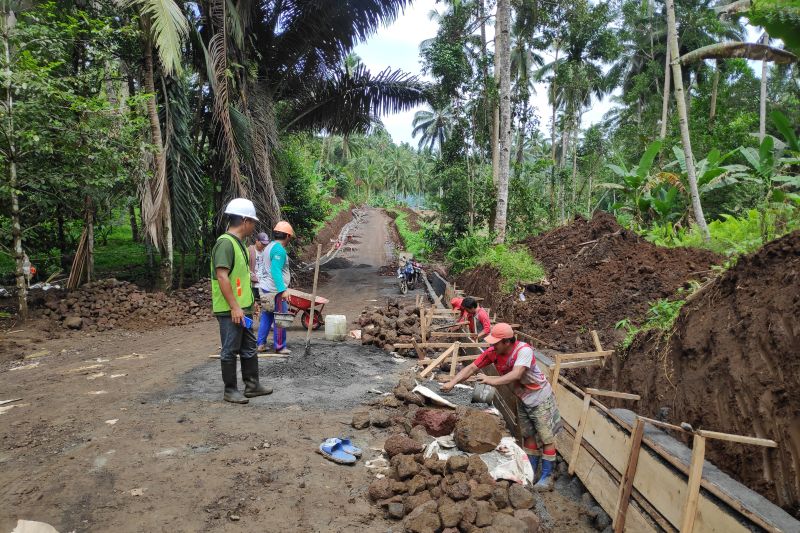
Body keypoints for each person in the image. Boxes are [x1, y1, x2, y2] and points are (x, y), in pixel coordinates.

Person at [441, 323, 562, 490]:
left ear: (507, 341)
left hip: (540, 397)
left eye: (495, 343)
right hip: (522, 398)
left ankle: (547, 477)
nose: (492, 346)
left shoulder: (523, 351)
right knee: (528, 436)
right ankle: (531, 471)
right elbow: (471, 367)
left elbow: (517, 373)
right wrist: (452, 383)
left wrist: (492, 380)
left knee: (546, 437)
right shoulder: (494, 353)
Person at [210, 198, 273, 404]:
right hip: (230, 310)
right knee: (230, 348)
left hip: (242, 308)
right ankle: (230, 390)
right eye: (253, 221)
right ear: (245, 220)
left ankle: (252, 385)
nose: (254, 226)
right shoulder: (225, 244)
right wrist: (235, 307)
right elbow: (222, 277)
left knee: (249, 346)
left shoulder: (239, 245)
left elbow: (241, 278)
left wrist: (249, 303)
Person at [256, 220, 294, 355]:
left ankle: (260, 344)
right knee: (280, 318)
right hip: (275, 291)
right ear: (288, 236)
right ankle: (280, 346)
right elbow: (275, 270)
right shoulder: (279, 250)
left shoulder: (269, 246)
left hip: (266, 288)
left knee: (267, 316)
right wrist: (282, 290)